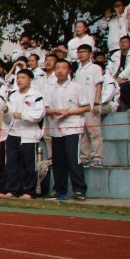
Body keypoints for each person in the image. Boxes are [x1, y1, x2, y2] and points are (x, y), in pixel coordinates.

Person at [43, 55, 88, 201]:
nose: (60, 71)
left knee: (73, 159)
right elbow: (46, 109)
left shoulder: (76, 87)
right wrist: (57, 112)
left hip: (73, 129)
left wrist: (67, 112)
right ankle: (60, 191)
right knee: (58, 161)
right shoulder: (50, 89)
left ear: (69, 71)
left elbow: (86, 107)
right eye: (57, 68)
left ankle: (79, 190)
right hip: (56, 130)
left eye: (63, 68)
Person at [2, 68, 45, 199]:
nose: (19, 80)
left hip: (28, 135)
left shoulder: (36, 96)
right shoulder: (14, 95)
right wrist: (6, 109)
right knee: (12, 164)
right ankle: (13, 190)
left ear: (30, 80)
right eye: (18, 78)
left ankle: (29, 190)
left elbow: (39, 114)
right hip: (13, 133)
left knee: (29, 165)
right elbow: (9, 111)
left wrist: (22, 115)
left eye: (23, 78)